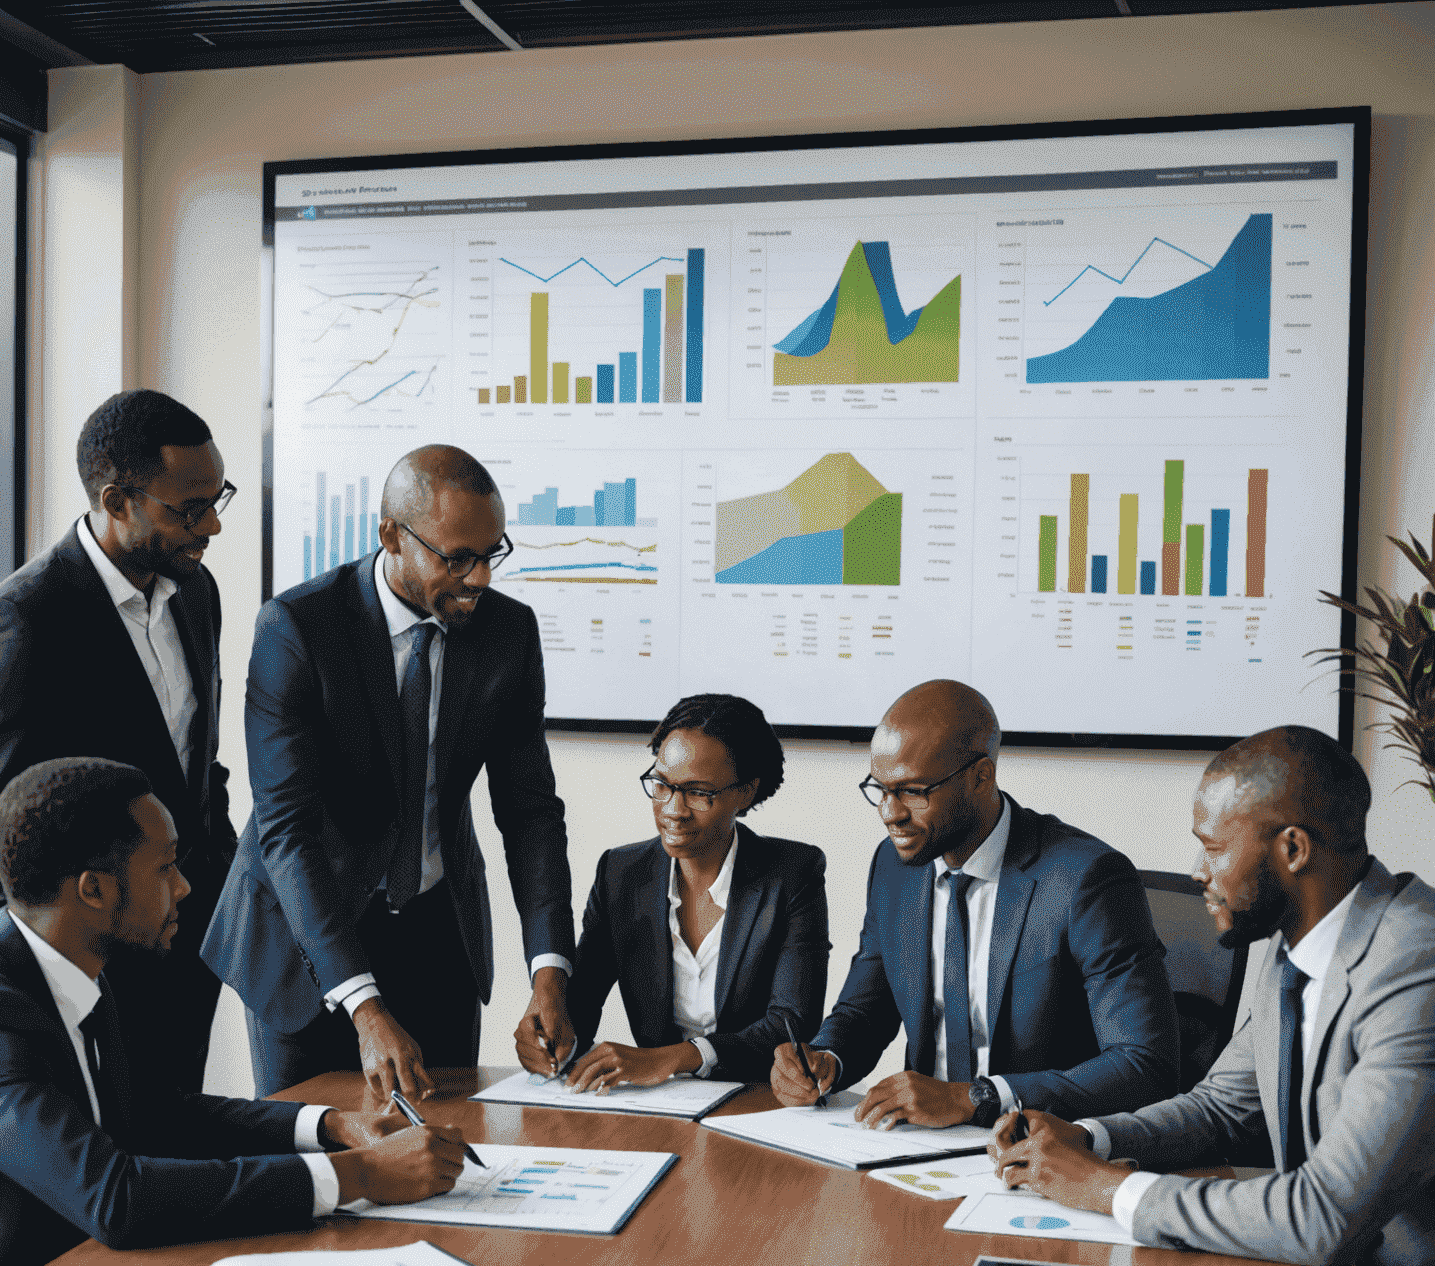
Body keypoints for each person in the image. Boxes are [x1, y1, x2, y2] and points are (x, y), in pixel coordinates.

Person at [0, 759, 471, 1266]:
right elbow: (114, 1197)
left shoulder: (65, 963)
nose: (185, 887)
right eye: (166, 867)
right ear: (93, 889)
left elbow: (151, 1113)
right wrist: (361, 1175)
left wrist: (331, 1129)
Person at [992, 726, 1435, 1266]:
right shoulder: (1295, 945)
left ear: (1293, 848)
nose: (1200, 873)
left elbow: (1323, 1215)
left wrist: (1104, 1188)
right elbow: (1222, 1107)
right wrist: (1089, 1138)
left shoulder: (1413, 965)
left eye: (1214, 848)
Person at [203, 445, 575, 1102]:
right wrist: (365, 1008)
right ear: (390, 537)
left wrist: (548, 971)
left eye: (492, 552)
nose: (481, 577)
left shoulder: (508, 632)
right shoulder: (297, 629)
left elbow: (530, 811)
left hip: (436, 934)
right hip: (305, 934)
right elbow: (288, 831)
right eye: (455, 556)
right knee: (312, 1159)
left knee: (444, 1149)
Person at [0, 390, 240, 1093]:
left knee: (180, 1143)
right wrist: (45, 983)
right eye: (189, 508)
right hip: (86, 965)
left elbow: (196, 766)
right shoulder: (19, 624)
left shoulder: (196, 593)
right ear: (116, 500)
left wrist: (222, 900)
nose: (214, 526)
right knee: (106, 1181)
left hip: (187, 949)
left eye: (216, 497)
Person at [771, 680, 1178, 1129]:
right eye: (880, 789)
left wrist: (976, 1098)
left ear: (981, 776)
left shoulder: (1085, 879)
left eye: (912, 791)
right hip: (919, 1147)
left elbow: (1146, 1065)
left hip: (1042, 1145)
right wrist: (827, 1058)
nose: (890, 813)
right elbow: (866, 1010)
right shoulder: (895, 865)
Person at [526, 694, 828, 1089]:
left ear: (746, 792)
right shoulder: (620, 874)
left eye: (698, 792)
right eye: (662, 785)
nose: (673, 809)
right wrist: (548, 1034)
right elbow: (579, 1007)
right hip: (656, 1104)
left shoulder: (792, 874)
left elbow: (790, 1024)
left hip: (757, 1100)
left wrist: (671, 1058)